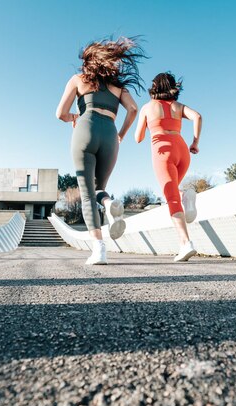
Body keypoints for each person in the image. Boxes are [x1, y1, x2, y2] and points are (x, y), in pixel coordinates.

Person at [56, 37, 145, 265]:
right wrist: (121, 134)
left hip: (85, 129)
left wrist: (74, 117)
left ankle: (99, 249)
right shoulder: (118, 86)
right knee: (100, 189)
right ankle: (107, 204)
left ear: (89, 62)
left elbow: (60, 113)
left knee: (87, 194)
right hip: (110, 135)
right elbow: (133, 109)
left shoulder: (78, 79)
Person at [135, 72, 202, 262]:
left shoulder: (148, 108)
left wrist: (148, 125)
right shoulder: (178, 106)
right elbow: (197, 116)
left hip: (162, 152)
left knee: (171, 198)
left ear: (155, 86)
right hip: (182, 150)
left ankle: (186, 243)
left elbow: (138, 138)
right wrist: (195, 142)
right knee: (172, 194)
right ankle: (186, 196)